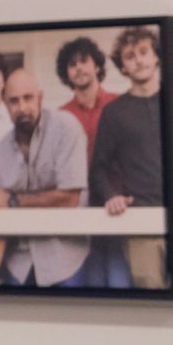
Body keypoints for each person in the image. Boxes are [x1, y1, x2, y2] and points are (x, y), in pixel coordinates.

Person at [0, 68, 89, 287]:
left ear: (40, 97)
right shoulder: (0, 152)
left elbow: (70, 199)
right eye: (14, 101)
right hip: (19, 264)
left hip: (65, 260)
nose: (22, 108)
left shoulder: (66, 127)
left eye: (28, 98)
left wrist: (14, 200)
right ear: (5, 104)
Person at [93, 26, 169, 289]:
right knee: (154, 297)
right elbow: (99, 168)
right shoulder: (114, 113)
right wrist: (110, 196)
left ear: (156, 56)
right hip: (142, 223)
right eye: (130, 55)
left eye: (144, 52)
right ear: (123, 66)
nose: (138, 59)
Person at [54, 35, 127, 287]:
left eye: (84, 61)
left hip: (117, 202)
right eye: (72, 64)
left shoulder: (119, 105)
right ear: (66, 73)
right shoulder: (61, 116)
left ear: (96, 65)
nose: (79, 68)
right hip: (79, 206)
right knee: (90, 280)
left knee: (119, 280)